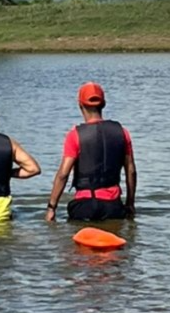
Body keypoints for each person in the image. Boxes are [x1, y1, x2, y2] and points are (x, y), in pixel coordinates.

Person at [45, 82, 136, 222]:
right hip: (113, 206)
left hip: (85, 206)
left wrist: (52, 207)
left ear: (80, 105)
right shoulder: (122, 133)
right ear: (103, 104)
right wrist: (130, 204)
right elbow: (131, 171)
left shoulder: (75, 135)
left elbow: (63, 174)